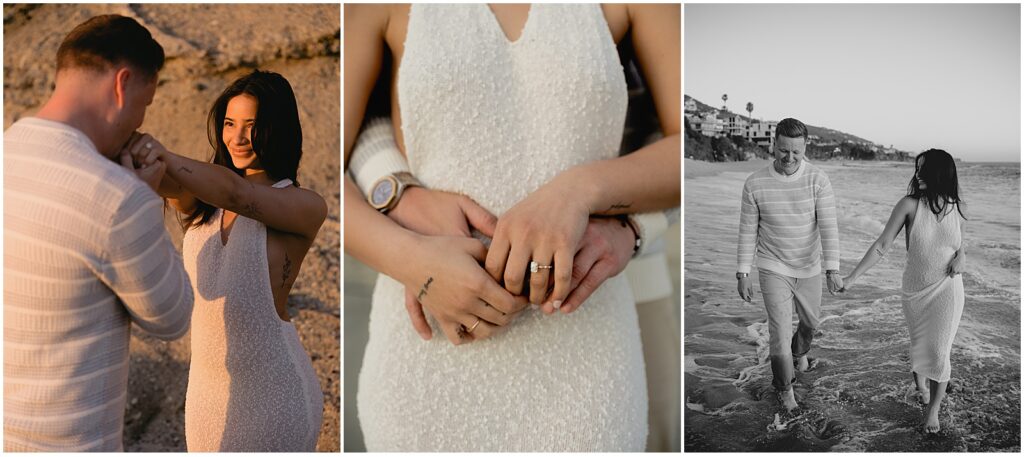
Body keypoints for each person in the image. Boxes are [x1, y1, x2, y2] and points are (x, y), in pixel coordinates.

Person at [344, 3, 680, 451]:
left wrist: (578, 191)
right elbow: (318, 168)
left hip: (584, 349)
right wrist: (409, 258)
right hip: (426, 350)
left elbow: (686, 148)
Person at [3, 15, 194, 451]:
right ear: (122, 84)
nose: (139, 121)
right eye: (144, 105)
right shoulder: (118, 199)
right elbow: (173, 317)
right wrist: (145, 201)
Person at [127, 70, 327, 451]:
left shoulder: (303, 205)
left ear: (278, 129)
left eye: (252, 125)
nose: (237, 137)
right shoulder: (201, 202)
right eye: (230, 123)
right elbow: (154, 175)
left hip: (274, 397)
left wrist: (162, 153)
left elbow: (236, 194)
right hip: (205, 395)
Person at [842, 149, 967, 434]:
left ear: (941, 173)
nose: (918, 174)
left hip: (948, 288)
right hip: (916, 291)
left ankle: (933, 410)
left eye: (925, 169)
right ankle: (920, 385)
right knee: (921, 346)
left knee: (939, 350)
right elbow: (882, 245)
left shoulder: (956, 206)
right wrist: (851, 278)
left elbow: (961, 242)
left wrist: (963, 256)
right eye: (917, 168)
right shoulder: (909, 205)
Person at [736, 117, 842, 412]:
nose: (790, 158)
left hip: (809, 266)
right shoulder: (755, 183)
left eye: (796, 152)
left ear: (805, 147)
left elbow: (829, 227)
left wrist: (832, 269)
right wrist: (743, 272)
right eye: (784, 150)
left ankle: (800, 352)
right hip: (772, 265)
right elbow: (747, 231)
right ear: (774, 145)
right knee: (779, 332)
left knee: (810, 324)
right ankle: (784, 390)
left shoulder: (818, 179)